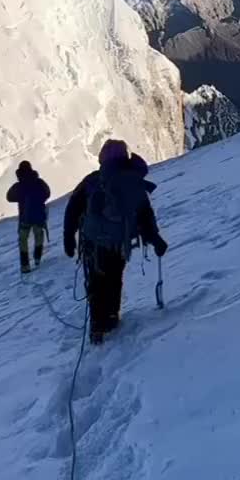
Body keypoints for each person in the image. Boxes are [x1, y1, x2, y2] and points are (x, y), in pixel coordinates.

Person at [63, 139, 167, 343]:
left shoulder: (93, 180)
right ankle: (112, 318)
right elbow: (145, 215)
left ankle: (97, 329)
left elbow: (73, 209)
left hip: (93, 242)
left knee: (96, 283)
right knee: (114, 278)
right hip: (119, 243)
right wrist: (155, 239)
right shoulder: (133, 182)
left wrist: (69, 238)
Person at [6, 159, 51, 273]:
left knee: (23, 240)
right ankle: (37, 257)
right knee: (39, 236)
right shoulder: (39, 182)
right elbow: (47, 193)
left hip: (24, 217)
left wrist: (21, 197)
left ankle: (25, 265)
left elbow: (9, 197)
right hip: (38, 215)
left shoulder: (19, 186)